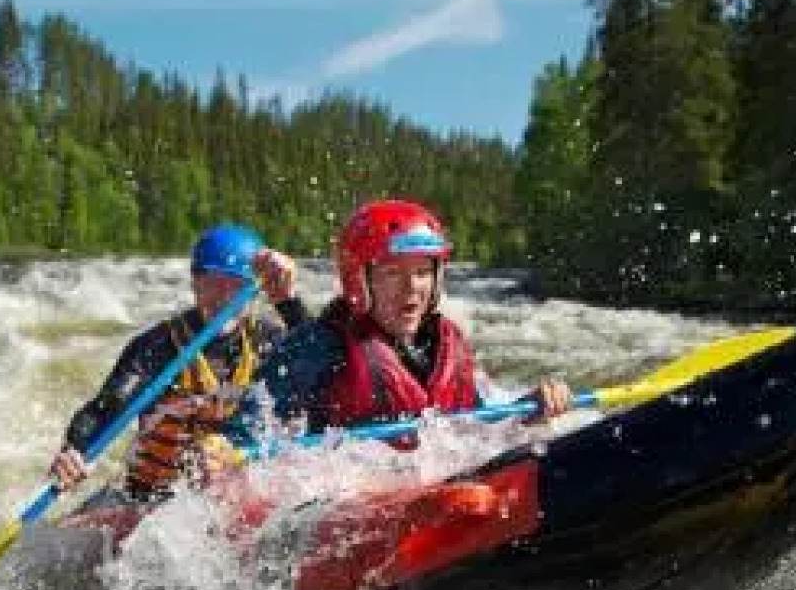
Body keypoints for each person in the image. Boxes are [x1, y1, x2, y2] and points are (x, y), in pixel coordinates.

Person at [233, 199, 571, 442]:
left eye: (423, 272)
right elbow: (247, 426)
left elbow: (478, 427)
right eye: (393, 273)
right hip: (345, 500)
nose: (412, 288)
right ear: (358, 280)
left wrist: (527, 411)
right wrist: (222, 450)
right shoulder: (318, 346)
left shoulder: (445, 344)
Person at [49, 223, 305, 499]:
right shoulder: (157, 348)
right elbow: (103, 410)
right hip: (146, 496)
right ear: (194, 283)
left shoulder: (268, 343)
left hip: (234, 495)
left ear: (255, 290)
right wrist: (75, 450)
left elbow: (322, 370)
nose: (225, 297)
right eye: (213, 283)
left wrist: (288, 302)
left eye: (237, 286)